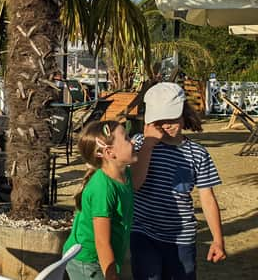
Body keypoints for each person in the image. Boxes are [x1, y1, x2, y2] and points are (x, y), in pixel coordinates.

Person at [130, 82, 225, 280]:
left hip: (182, 239)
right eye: (158, 121)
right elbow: (134, 185)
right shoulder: (139, 143)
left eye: (171, 119)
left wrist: (217, 239)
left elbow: (207, 198)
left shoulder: (198, 154)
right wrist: (147, 145)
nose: (165, 125)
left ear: (183, 114)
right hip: (143, 232)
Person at [63, 120, 136, 280]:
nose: (133, 141)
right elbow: (102, 242)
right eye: (126, 138)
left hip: (103, 257)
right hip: (88, 261)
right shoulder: (102, 188)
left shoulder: (125, 174)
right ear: (110, 153)